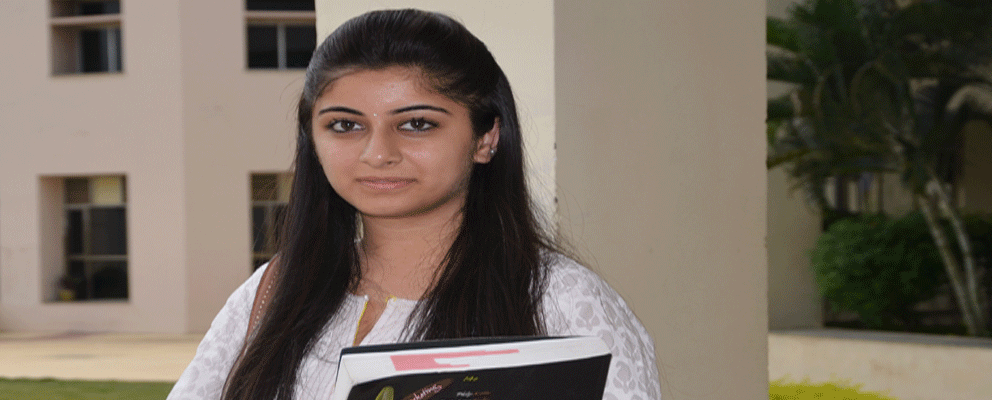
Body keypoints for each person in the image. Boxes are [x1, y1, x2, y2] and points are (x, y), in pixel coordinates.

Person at [168, 9, 660, 400]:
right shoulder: (276, 288)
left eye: (417, 124)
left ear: (486, 137)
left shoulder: (559, 299)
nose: (378, 153)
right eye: (345, 125)